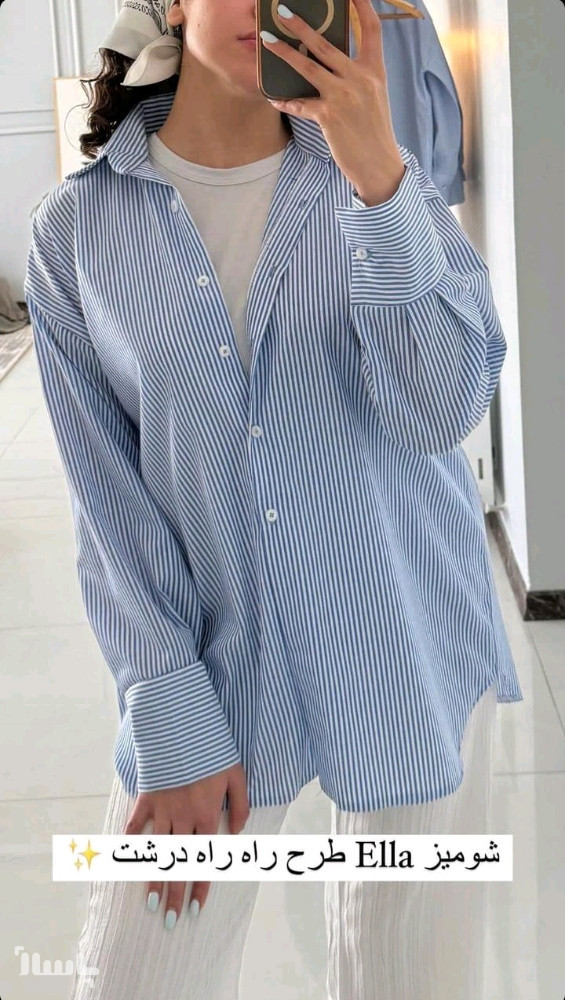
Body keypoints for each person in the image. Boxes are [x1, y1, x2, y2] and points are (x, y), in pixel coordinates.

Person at [23, 0, 523, 997]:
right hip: (214, 669)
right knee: (131, 979)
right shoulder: (75, 232)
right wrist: (170, 711)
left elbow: (440, 411)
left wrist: (378, 180)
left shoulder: (385, 183)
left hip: (408, 648)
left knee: (411, 981)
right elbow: (108, 507)